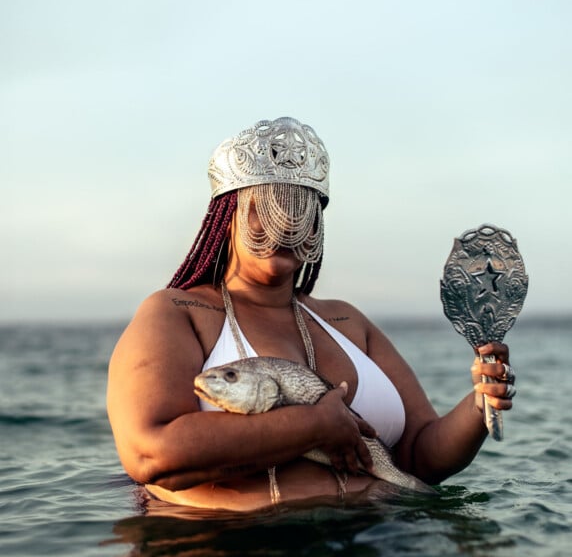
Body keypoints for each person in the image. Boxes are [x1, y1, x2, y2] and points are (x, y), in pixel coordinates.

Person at [107, 116, 517, 512]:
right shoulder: (177, 311)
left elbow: (416, 457)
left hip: (384, 551)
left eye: (300, 211)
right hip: (241, 555)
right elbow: (149, 451)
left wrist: (479, 406)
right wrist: (315, 427)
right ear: (225, 214)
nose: (284, 225)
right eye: (264, 209)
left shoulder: (347, 322)